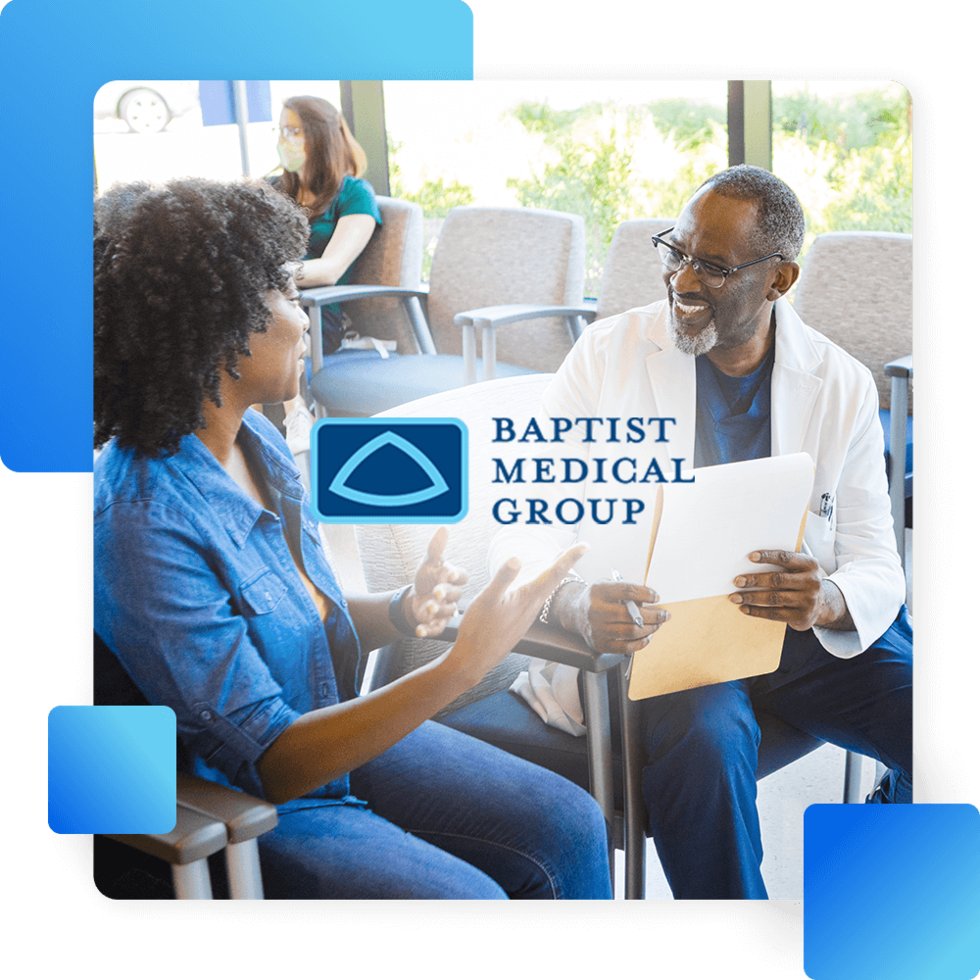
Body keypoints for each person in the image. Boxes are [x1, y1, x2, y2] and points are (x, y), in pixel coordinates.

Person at [93, 176, 612, 901]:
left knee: (571, 822)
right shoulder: (139, 520)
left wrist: (402, 610)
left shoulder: (257, 446)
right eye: (282, 293)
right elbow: (268, 758)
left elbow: (304, 620)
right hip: (247, 800)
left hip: (328, 738)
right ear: (217, 325)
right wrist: (462, 664)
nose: (305, 320)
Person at [488, 164, 914, 900]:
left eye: (713, 267)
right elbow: (521, 522)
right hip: (666, 640)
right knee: (709, 743)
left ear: (780, 279)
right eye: (674, 251)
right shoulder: (608, 355)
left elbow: (879, 560)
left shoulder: (838, 381)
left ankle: (878, 898)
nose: (682, 280)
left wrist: (830, 599)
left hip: (795, 633)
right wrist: (573, 599)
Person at [269, 94, 381, 357]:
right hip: (271, 303)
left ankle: (289, 399)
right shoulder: (272, 189)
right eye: (281, 130)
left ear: (320, 137)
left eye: (294, 131)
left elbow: (331, 269)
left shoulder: (355, 194)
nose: (283, 139)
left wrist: (270, 274)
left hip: (316, 314)